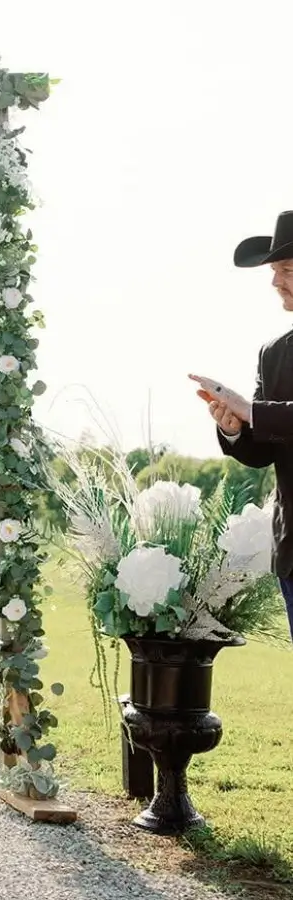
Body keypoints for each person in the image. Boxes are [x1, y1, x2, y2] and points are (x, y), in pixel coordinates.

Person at [189, 209, 293, 642]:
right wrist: (233, 426)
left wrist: (252, 410)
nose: (274, 282)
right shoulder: (273, 354)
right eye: (273, 271)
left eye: (285, 269)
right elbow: (260, 452)